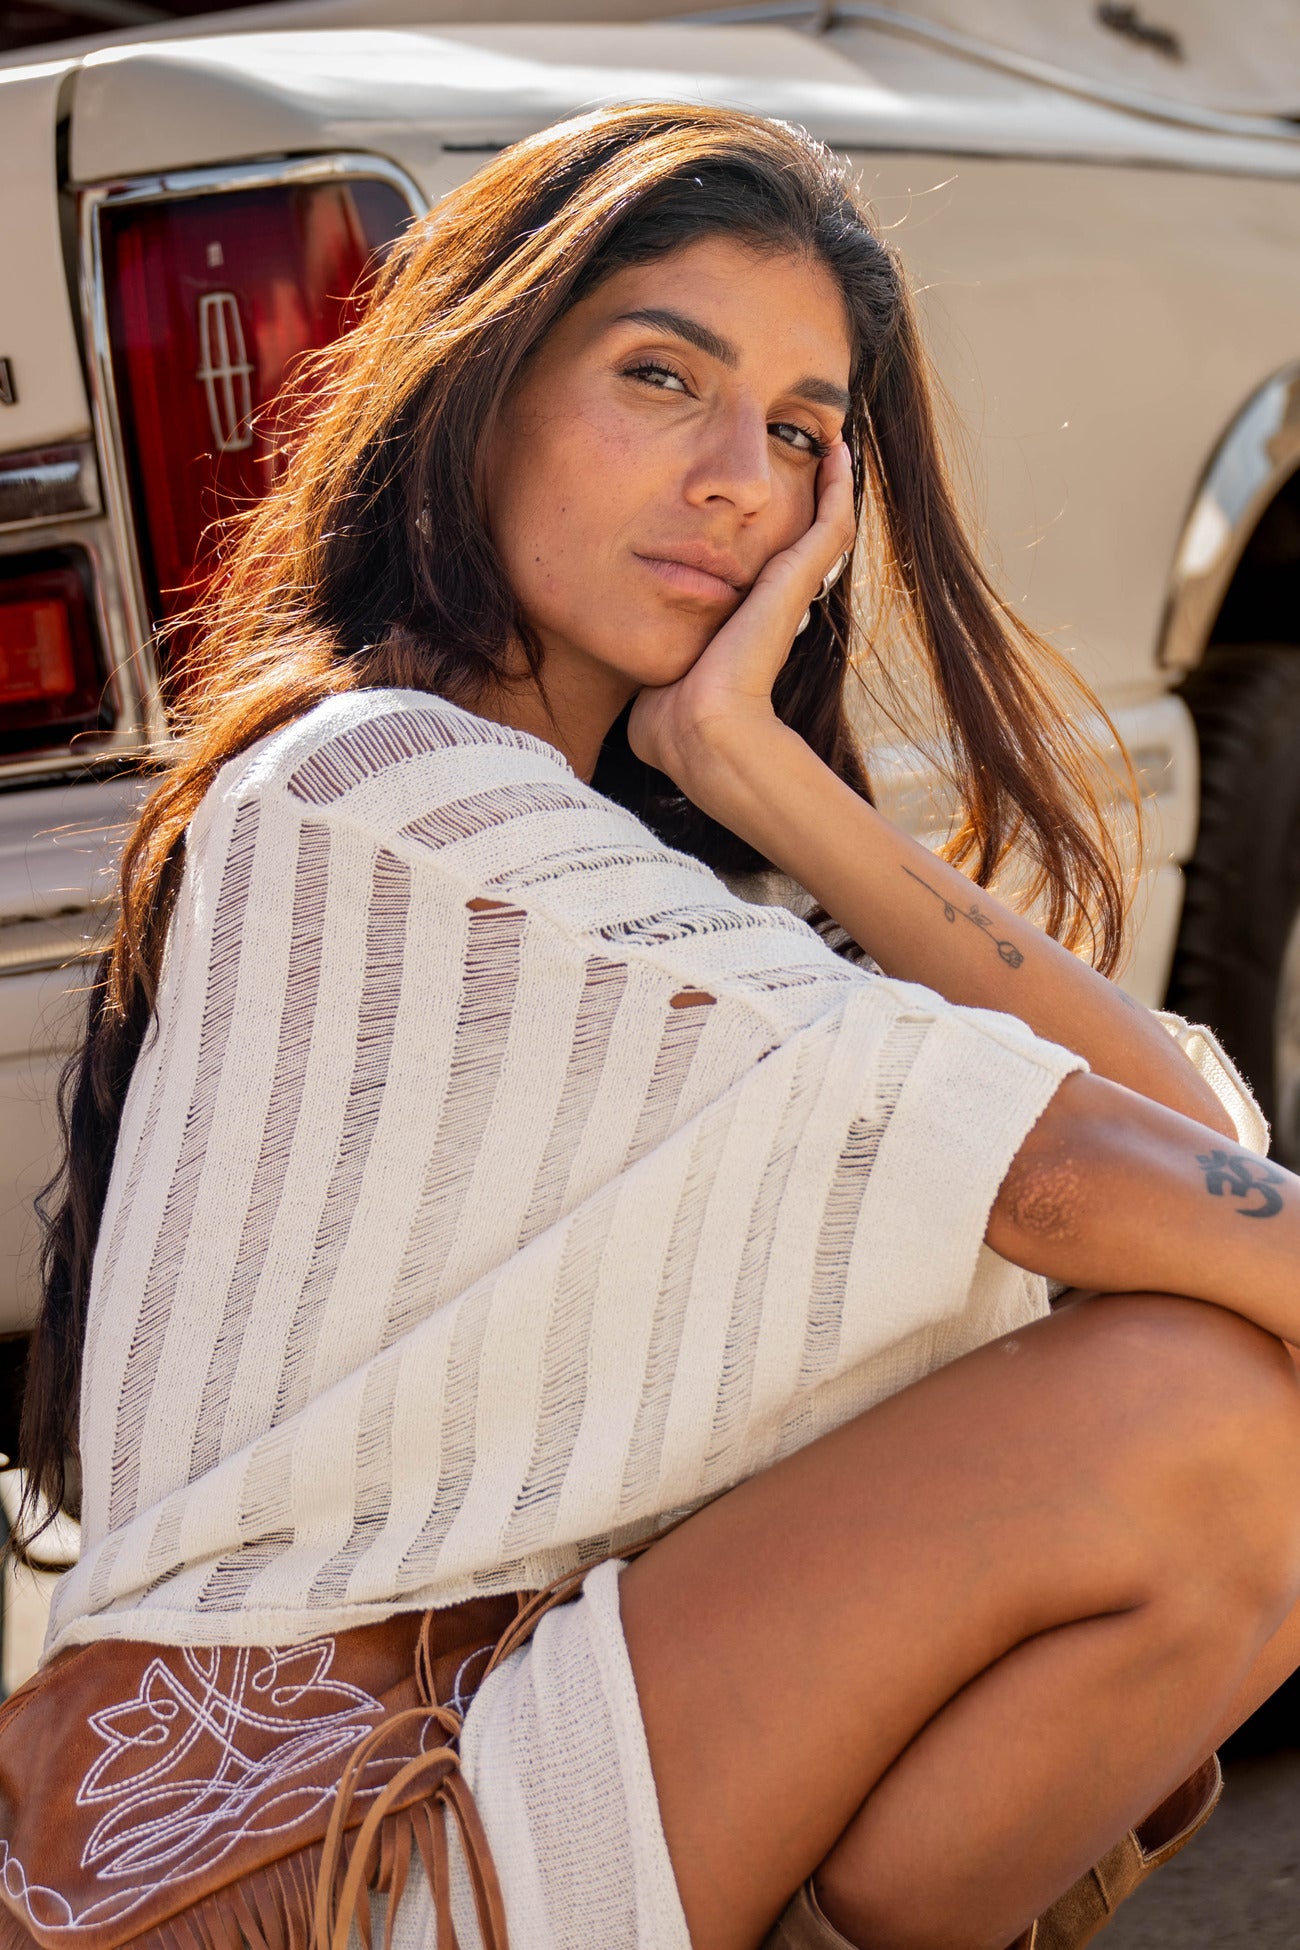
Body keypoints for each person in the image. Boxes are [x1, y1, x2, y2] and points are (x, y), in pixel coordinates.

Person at [12, 103, 1300, 1950]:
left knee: (1234, 1403)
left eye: (796, 433)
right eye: (660, 376)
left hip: (471, 1764)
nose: (734, 480)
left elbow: (1185, 1145)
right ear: (481, 392)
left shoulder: (566, 844)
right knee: (1212, 1415)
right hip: (308, 1853)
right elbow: (1088, 1176)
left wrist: (753, 766)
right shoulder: (383, 787)